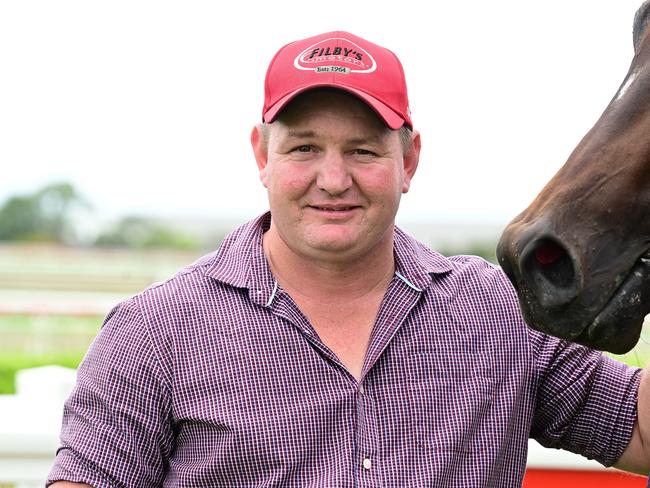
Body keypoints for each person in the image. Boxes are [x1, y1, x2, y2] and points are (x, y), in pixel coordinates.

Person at [47, 31, 650, 487]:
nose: (333, 180)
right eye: (305, 148)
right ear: (262, 155)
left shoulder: (495, 311)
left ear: (408, 161)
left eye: (362, 150)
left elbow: (640, 430)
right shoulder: (152, 332)